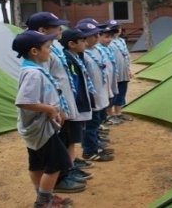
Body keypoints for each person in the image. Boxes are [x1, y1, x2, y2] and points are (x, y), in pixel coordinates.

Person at [25, 11, 90, 192]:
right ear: (42, 30)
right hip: (53, 110)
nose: (60, 29)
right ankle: (60, 179)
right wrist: (54, 109)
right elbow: (46, 81)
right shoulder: (40, 53)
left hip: (62, 105)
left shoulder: (54, 48)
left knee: (67, 140)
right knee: (56, 149)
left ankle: (65, 173)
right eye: (56, 26)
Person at [11, 30, 73, 208]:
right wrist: (50, 110)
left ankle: (43, 196)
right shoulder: (33, 74)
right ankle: (44, 202)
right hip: (40, 128)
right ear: (34, 51)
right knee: (56, 164)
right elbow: (23, 102)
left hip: (36, 128)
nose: (50, 51)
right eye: (47, 47)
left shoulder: (32, 69)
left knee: (36, 163)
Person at [76, 19, 115, 162]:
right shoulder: (82, 54)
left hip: (101, 93)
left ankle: (96, 145)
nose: (97, 36)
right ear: (85, 38)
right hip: (91, 96)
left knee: (97, 122)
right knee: (90, 125)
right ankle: (89, 151)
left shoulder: (97, 50)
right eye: (94, 34)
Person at [104, 20, 134, 122]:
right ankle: (110, 114)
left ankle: (118, 113)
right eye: (117, 28)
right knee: (112, 93)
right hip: (113, 73)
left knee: (122, 92)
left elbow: (126, 56)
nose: (119, 29)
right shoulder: (108, 42)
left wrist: (128, 69)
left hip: (123, 71)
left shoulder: (121, 41)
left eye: (119, 27)